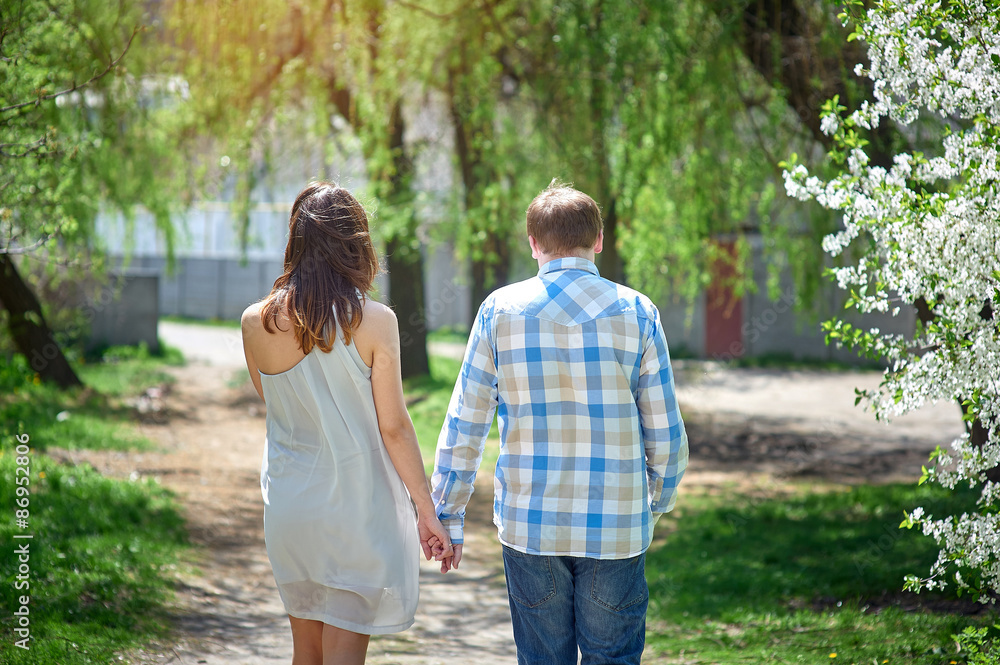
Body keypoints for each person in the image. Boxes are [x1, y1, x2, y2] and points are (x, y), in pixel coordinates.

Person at [431, 181, 689, 665]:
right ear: (599, 239)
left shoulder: (498, 311)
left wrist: (448, 512)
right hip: (616, 524)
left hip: (532, 525)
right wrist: (655, 502)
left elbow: (466, 422)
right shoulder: (638, 312)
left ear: (533, 243)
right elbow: (667, 434)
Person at [241, 182, 453, 665]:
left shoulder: (255, 322)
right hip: (354, 510)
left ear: (296, 240)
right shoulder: (374, 320)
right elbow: (394, 426)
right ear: (354, 242)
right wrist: (426, 510)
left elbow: (278, 405)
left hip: (291, 509)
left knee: (306, 655)